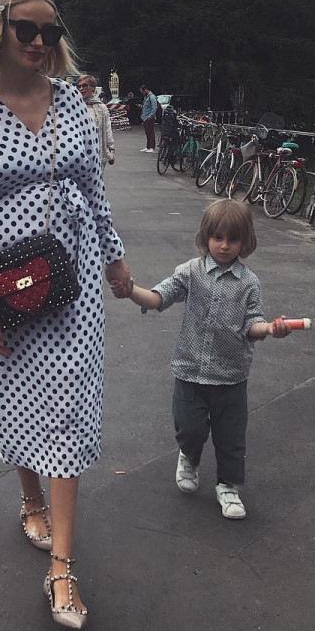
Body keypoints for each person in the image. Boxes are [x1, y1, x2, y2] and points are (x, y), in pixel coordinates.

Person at [0, 0, 131, 630]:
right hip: (7, 289)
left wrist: (114, 257)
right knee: (18, 397)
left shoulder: (72, 101)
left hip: (72, 283)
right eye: (27, 28)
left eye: (50, 31)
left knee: (67, 407)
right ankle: (30, 499)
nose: (40, 41)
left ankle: (62, 568)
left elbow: (95, 191)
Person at [111, 199, 291, 520]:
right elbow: (158, 297)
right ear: (206, 236)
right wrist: (131, 291)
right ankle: (189, 456)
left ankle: (228, 486)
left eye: (233, 239)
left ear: (244, 242)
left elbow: (252, 323)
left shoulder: (249, 283)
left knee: (231, 436)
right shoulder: (191, 272)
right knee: (190, 429)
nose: (224, 245)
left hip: (231, 375)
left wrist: (269, 329)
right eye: (217, 237)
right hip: (190, 370)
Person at [77, 74, 115, 170]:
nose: (81, 89)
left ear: (93, 88)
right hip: (79, 152)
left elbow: (107, 129)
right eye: (79, 86)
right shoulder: (75, 106)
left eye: (85, 85)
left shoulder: (101, 107)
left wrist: (111, 149)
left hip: (97, 152)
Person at [139, 85, 157, 152]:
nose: (142, 93)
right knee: (147, 132)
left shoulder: (152, 97)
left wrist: (150, 116)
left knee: (151, 132)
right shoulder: (146, 97)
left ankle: (152, 147)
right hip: (145, 117)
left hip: (149, 118)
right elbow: (146, 106)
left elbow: (154, 108)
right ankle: (148, 146)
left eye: (142, 91)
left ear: (145, 90)